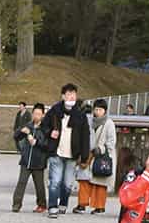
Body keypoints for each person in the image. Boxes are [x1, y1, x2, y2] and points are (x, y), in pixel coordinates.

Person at [41, 80, 91, 216]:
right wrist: (50, 132)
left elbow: (85, 136)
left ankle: (63, 203)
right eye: (69, 94)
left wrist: (85, 155)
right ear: (63, 96)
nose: (72, 97)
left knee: (68, 184)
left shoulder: (80, 115)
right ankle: (52, 207)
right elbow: (43, 126)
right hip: (56, 152)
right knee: (55, 181)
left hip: (72, 154)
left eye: (74, 94)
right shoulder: (54, 111)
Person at [75, 97, 117, 214]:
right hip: (88, 154)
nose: (97, 112)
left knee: (100, 182)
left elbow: (111, 142)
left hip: (101, 156)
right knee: (83, 180)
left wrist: (100, 149)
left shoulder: (109, 124)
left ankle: (99, 206)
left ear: (105, 111)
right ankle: (81, 204)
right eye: (96, 109)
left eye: (100, 109)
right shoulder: (89, 121)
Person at [13, 100, 49, 212]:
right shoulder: (28, 125)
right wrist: (21, 132)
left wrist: (36, 142)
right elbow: (16, 137)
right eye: (35, 113)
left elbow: (47, 144)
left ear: (43, 115)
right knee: (21, 182)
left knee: (39, 185)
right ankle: (16, 204)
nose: (36, 116)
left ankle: (42, 204)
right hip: (25, 160)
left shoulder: (46, 128)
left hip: (38, 161)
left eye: (39, 114)